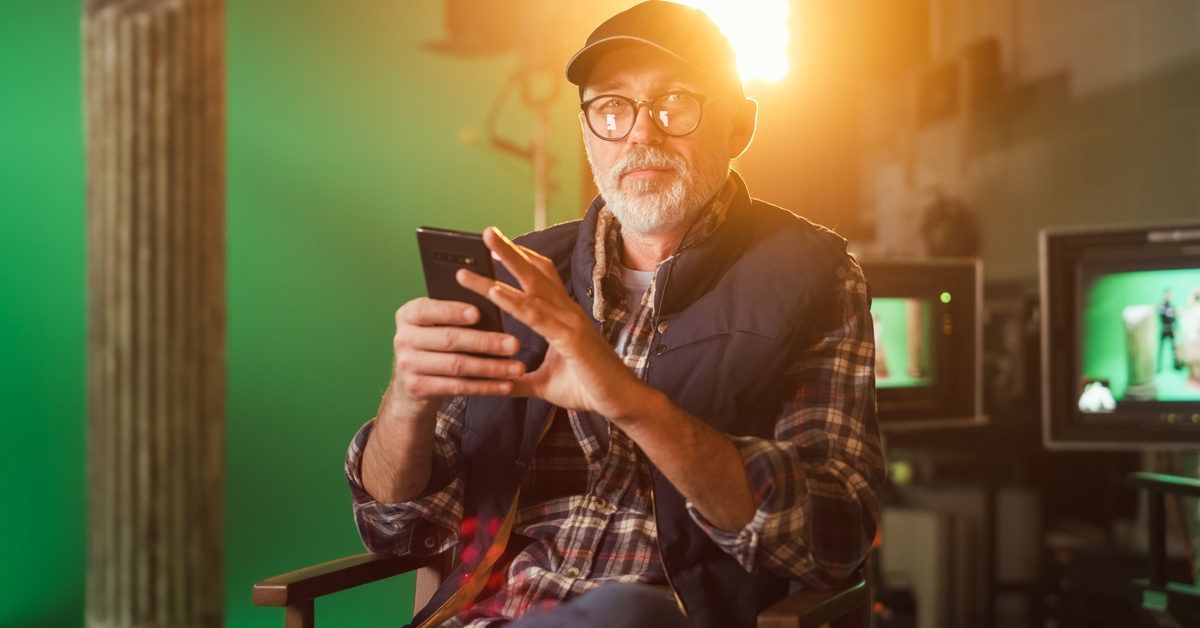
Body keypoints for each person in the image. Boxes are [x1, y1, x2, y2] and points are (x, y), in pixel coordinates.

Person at [347, 3, 885, 627]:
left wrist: (630, 402)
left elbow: (833, 536)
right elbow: (396, 529)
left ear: (740, 125)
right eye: (611, 107)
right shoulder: (522, 274)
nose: (640, 134)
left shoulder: (816, 277)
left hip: (661, 615)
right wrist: (407, 402)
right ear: (586, 131)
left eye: (675, 103)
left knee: (623, 612)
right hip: (490, 616)